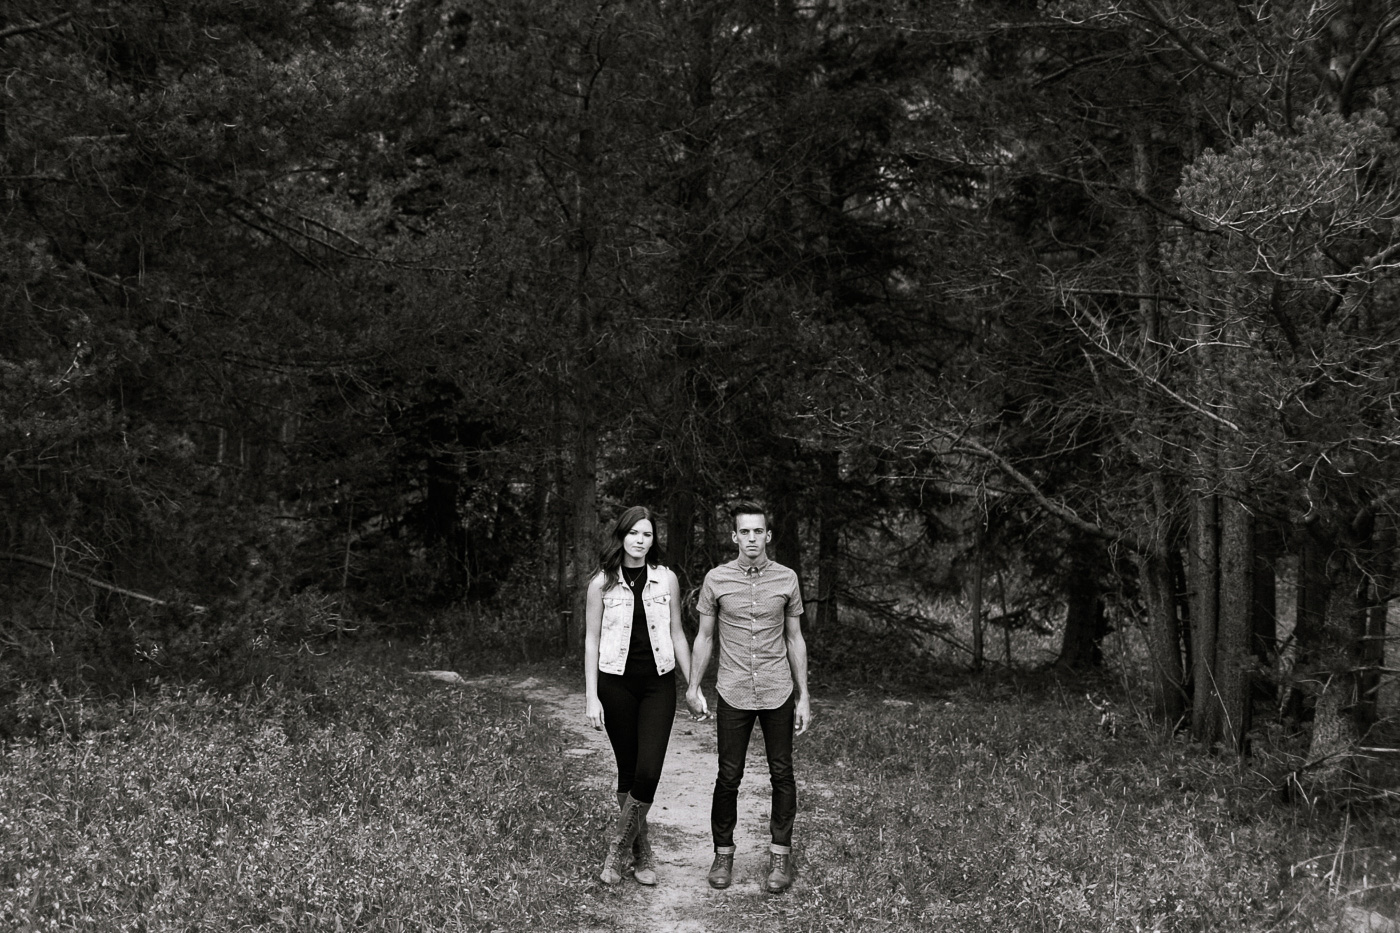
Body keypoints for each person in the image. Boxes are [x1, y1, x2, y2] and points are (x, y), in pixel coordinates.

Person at [686, 502, 810, 894]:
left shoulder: (787, 579)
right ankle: (723, 854)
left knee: (782, 774)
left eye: (759, 532)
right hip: (734, 689)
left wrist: (804, 696)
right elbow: (705, 637)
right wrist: (693, 687)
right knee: (729, 776)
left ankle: (779, 857)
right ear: (735, 536)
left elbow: (795, 638)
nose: (752, 539)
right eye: (745, 532)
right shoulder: (716, 579)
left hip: (777, 690)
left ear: (768, 536)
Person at [583, 506, 701, 886]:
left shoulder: (665, 580)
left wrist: (693, 685)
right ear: (622, 536)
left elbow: (678, 633)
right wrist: (591, 697)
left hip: (658, 685)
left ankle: (617, 849)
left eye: (647, 534)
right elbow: (591, 641)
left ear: (654, 540)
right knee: (629, 770)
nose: (640, 540)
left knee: (648, 771)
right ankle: (642, 851)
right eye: (634, 533)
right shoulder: (600, 583)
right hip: (614, 685)